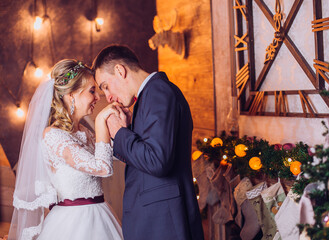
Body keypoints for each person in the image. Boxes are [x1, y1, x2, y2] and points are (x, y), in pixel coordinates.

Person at [92, 44, 205, 240]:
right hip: (158, 219)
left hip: (164, 222)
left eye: (105, 86)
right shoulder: (148, 96)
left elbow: (157, 161)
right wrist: (126, 132)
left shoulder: (158, 91)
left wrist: (120, 133)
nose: (108, 97)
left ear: (120, 70)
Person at [8, 59, 124, 240]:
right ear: (71, 95)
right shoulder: (53, 136)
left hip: (101, 215)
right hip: (73, 223)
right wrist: (102, 122)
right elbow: (103, 168)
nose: (98, 97)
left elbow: (115, 156)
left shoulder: (85, 131)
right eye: (92, 91)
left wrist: (124, 129)